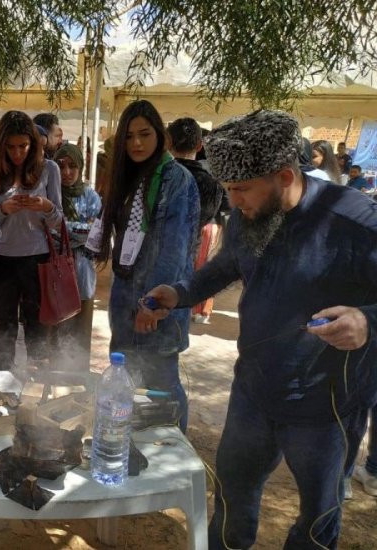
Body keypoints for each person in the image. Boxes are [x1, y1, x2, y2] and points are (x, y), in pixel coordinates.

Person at [143, 109, 377, 549]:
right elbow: (227, 265)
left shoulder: (355, 223)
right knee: (232, 495)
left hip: (325, 405)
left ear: (285, 176)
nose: (234, 203)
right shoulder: (250, 214)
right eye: (229, 191)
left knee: (317, 515)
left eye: (242, 190)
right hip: (253, 391)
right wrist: (181, 292)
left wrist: (367, 321)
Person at [95, 99, 198, 433]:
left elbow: (174, 252)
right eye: (128, 137)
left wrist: (152, 304)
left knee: (162, 386)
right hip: (126, 302)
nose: (136, 143)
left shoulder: (175, 180)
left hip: (158, 309)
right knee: (128, 380)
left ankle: (175, 458)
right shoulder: (131, 179)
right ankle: (134, 443)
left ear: (160, 135)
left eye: (144, 134)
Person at [0, 111, 63, 370]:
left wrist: (45, 206)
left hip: (37, 257)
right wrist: (4, 209)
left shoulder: (49, 169)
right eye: (10, 147)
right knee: (5, 322)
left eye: (23, 146)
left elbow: (58, 221)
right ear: (2, 147)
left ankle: (38, 380)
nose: (18, 153)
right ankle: (3, 379)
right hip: (3, 258)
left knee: (36, 322)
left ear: (34, 144)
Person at [167, 117, 224, 324]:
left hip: (155, 257)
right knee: (178, 308)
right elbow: (208, 215)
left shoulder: (158, 178)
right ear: (200, 146)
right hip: (188, 253)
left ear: (168, 143)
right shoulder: (213, 182)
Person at [52, 143, 101, 372]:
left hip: (83, 272)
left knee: (81, 327)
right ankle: (55, 376)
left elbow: (96, 235)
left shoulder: (91, 196)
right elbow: (50, 234)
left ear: (81, 167)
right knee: (57, 326)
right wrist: (80, 230)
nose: (67, 172)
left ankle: (78, 376)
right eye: (61, 166)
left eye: (72, 166)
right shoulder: (50, 193)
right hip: (56, 272)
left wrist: (66, 229)